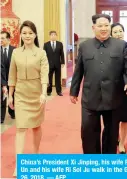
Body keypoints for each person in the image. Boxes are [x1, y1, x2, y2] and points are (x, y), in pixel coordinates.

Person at [70, 14, 127, 154]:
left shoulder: (120, 45)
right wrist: (74, 91)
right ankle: (92, 164)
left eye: (106, 25)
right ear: (93, 28)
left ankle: (107, 164)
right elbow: (78, 70)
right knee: (88, 132)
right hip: (90, 97)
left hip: (113, 96)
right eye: (100, 26)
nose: (104, 28)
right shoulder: (85, 46)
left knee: (111, 134)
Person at [8, 20, 49, 176]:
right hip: (20, 93)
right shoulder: (16, 53)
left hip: (36, 93)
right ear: (21, 35)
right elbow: (12, 75)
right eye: (24, 33)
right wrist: (10, 95)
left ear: (35, 34)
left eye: (30, 33)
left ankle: (36, 155)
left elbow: (44, 74)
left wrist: (43, 93)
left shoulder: (41, 53)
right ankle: (19, 163)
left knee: (36, 126)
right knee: (20, 128)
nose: (27, 36)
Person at [110, 22, 127, 154]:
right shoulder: (107, 47)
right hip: (112, 88)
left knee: (125, 117)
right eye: (115, 32)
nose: (118, 34)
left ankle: (122, 143)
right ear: (111, 34)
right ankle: (117, 138)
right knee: (113, 117)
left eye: (120, 31)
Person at [43, 31, 65, 96]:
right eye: (52, 35)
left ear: (56, 36)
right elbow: (44, 55)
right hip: (49, 64)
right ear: (49, 36)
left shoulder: (60, 44)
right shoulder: (46, 44)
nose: (53, 36)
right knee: (49, 78)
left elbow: (62, 54)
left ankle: (59, 91)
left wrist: (63, 62)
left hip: (58, 64)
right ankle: (49, 91)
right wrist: (44, 63)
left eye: (54, 35)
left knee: (58, 78)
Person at [1, 31, 16, 121]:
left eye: (3, 38)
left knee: (12, 95)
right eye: (0, 38)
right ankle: (1, 117)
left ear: (8, 39)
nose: (1, 40)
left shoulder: (14, 50)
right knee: (2, 97)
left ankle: (12, 112)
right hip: (1, 77)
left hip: (12, 77)